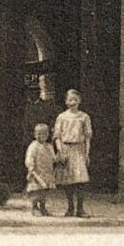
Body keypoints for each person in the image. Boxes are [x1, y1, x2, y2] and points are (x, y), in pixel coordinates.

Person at [53, 88, 93, 217]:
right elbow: (57, 136)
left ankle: (80, 209)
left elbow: (87, 136)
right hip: (66, 149)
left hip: (79, 149)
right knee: (68, 180)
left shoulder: (84, 117)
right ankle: (70, 207)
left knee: (80, 180)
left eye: (75, 99)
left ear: (79, 101)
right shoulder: (62, 117)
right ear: (66, 102)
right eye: (70, 99)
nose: (73, 102)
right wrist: (60, 150)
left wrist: (87, 153)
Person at [24, 122, 57, 217]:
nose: (41, 136)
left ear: (47, 135)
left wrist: (59, 158)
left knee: (45, 191)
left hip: (47, 172)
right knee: (36, 191)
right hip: (36, 172)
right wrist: (31, 169)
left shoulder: (49, 146)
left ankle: (43, 207)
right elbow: (29, 159)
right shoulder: (33, 146)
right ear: (35, 134)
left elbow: (53, 158)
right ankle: (34, 207)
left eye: (44, 134)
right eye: (38, 134)